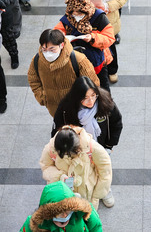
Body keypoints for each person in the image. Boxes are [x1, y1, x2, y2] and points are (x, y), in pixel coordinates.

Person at [52, 76, 123, 207]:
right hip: (77, 151)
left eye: (93, 95)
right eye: (85, 97)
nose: (91, 101)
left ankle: (104, 192)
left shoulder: (104, 101)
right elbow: (56, 132)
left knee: (102, 170)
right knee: (82, 174)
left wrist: (109, 146)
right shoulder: (65, 109)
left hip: (100, 147)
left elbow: (117, 123)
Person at [68, 0, 127, 83]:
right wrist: (82, 8)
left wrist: (107, 6)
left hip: (108, 20)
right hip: (86, 23)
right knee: (91, 47)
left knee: (110, 47)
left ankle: (112, 70)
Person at [28, 29, 100, 117]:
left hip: (78, 108)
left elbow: (92, 83)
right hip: (54, 109)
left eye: (52, 49)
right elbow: (33, 80)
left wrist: (86, 101)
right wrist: (43, 97)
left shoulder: (78, 60)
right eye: (44, 49)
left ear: (61, 45)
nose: (48, 53)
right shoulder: (37, 60)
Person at [54, 0, 116, 90]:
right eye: (73, 13)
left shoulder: (99, 17)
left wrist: (93, 38)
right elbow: (57, 32)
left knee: (103, 90)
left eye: (79, 13)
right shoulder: (68, 18)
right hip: (76, 60)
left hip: (99, 60)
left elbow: (109, 38)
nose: (76, 16)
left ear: (86, 10)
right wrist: (60, 36)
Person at [40, 125, 112, 209]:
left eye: (71, 154)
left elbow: (105, 171)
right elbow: (46, 167)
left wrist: (97, 195)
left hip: (88, 192)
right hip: (62, 192)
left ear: (78, 148)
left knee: (87, 216)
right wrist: (60, 176)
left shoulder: (92, 147)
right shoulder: (50, 149)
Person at [20, 181, 103, 232]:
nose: (64, 216)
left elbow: (96, 228)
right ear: (47, 214)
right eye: (58, 213)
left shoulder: (85, 213)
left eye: (67, 211)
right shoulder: (34, 224)